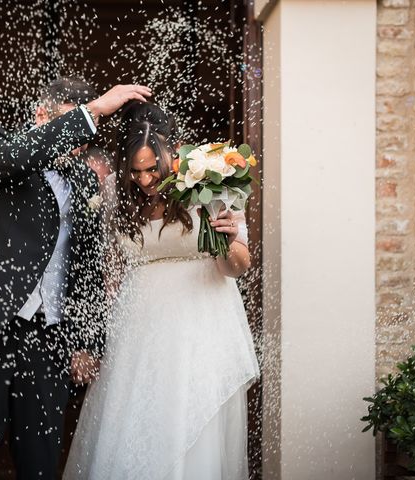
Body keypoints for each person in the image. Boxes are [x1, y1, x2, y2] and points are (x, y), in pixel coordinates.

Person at [0, 78, 152, 479]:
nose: (80, 143)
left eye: (85, 133)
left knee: (41, 465)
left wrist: (88, 341)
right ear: (42, 115)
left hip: (49, 338)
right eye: (74, 124)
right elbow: (23, 153)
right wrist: (93, 111)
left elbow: (88, 267)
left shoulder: (82, 181)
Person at [64, 101, 260, 479]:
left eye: (153, 168)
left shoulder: (212, 180)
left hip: (200, 323)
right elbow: (110, 271)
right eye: (136, 171)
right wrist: (92, 336)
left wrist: (228, 238)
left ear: (173, 151)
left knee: (190, 420)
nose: (145, 179)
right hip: (139, 330)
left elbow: (237, 266)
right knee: (136, 423)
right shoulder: (117, 196)